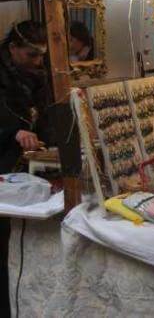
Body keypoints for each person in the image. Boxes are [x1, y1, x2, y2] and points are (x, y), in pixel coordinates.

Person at [0, 21, 50, 316]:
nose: (38, 62)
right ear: (13, 48)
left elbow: (40, 112)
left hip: (24, 165)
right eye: (31, 55)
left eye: (41, 55)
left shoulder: (36, 75)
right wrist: (13, 131)